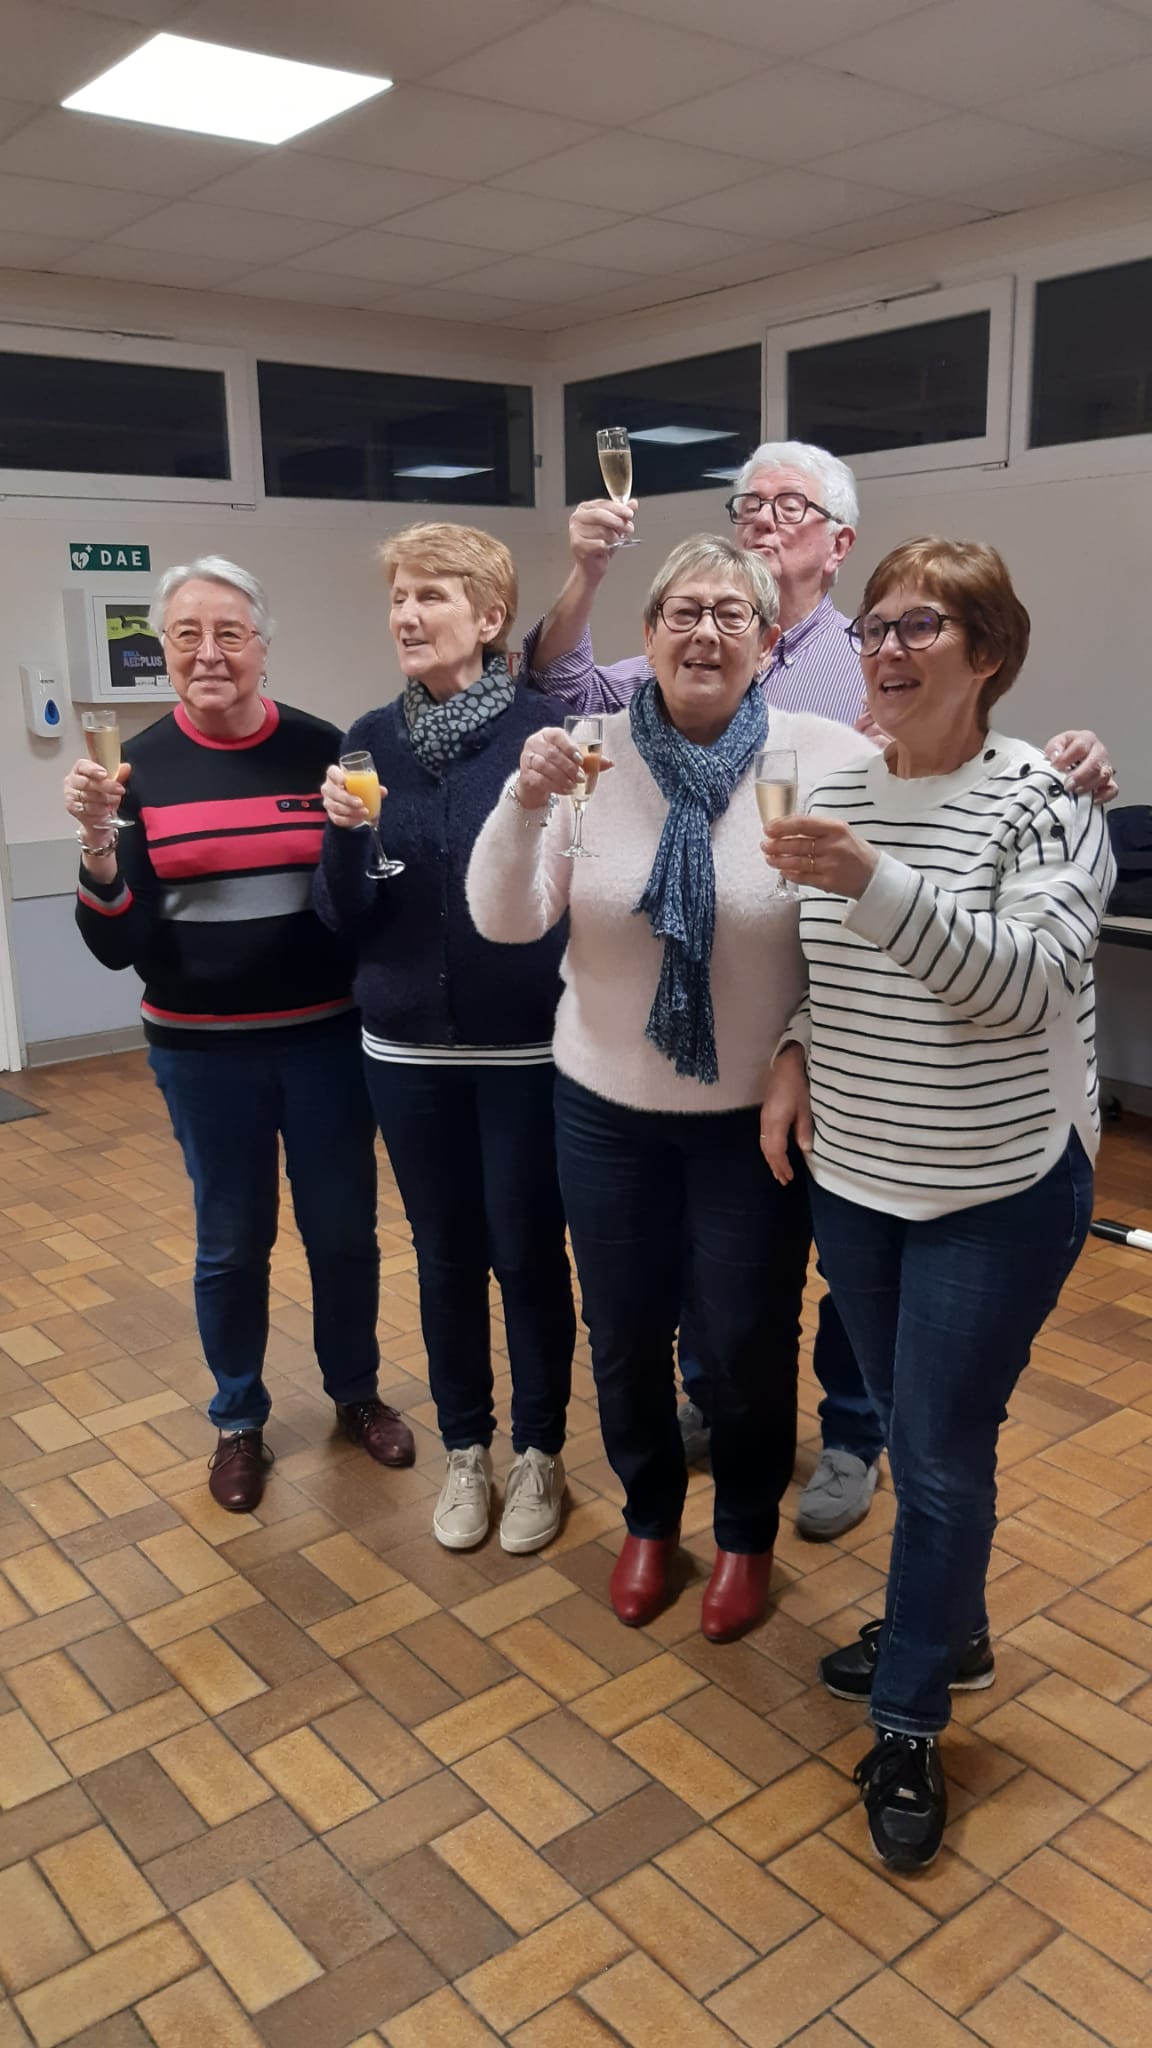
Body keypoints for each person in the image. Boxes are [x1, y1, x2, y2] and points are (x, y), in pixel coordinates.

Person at [522, 439, 1116, 1542]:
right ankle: (723, 1407)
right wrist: (589, 575)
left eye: (787, 506)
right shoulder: (681, 657)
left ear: (838, 540)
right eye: (747, 503)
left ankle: (851, 1432)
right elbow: (561, 691)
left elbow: (960, 767)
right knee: (741, 1286)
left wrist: (1065, 757)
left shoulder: (864, 671)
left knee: (829, 1294)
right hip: (776, 1059)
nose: (760, 518)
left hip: (897, 1082)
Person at [759, 538, 1113, 1871]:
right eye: (877, 625)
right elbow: (824, 963)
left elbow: (1025, 985)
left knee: (941, 1449)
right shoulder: (839, 788)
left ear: (991, 655)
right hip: (857, 1176)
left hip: (997, 1185)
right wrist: (795, 1046)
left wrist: (874, 879)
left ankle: (909, 1718)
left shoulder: (1047, 803)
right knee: (923, 1433)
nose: (889, 648)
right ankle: (948, 1630)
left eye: (925, 626)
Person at [468, 535, 873, 1641]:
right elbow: (505, 918)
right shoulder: (586, 756)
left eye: (732, 614)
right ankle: (649, 1517)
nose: (705, 632)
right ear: (646, 637)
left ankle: (744, 1533)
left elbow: (877, 903)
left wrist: (1064, 767)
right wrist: (521, 802)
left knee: (744, 1341)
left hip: (752, 1121)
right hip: (603, 1109)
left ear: (768, 640)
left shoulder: (824, 754)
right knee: (625, 1333)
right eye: (683, 612)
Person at [66, 556, 414, 1514]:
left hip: (326, 1044)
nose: (209, 653)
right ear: (165, 650)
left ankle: (355, 1393)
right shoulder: (134, 771)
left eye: (230, 633)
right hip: (202, 1054)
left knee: (343, 1232)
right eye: (187, 635)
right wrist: (97, 844)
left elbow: (364, 890)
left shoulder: (325, 749)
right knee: (231, 1243)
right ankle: (237, 1419)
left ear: (263, 647)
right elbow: (116, 944)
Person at [313, 523, 575, 1556]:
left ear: (490, 616)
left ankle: (539, 1450)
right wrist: (343, 841)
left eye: (431, 595)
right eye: (399, 597)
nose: (407, 615)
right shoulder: (367, 738)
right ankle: (467, 1447)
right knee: (446, 1255)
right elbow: (342, 914)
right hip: (406, 1053)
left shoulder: (546, 732)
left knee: (529, 1254)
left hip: (526, 1052)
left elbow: (574, 889)